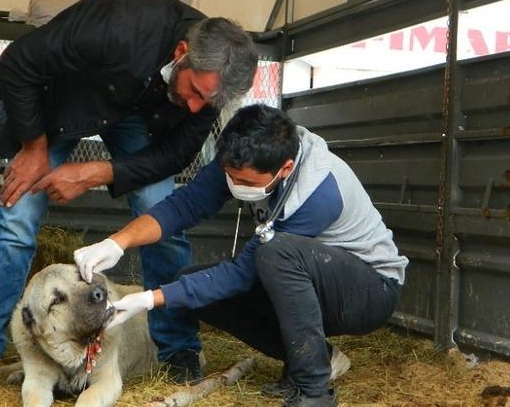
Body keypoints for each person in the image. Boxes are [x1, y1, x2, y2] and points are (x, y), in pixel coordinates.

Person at [0, 0, 259, 390]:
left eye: (209, 102)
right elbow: (16, 64)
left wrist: (95, 171)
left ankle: (177, 347)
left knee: (161, 213)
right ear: (181, 51)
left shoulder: (209, 91)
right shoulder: (118, 23)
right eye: (196, 93)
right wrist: (34, 146)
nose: (198, 108)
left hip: (135, 114)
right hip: (58, 101)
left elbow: (176, 154)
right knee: (17, 216)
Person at [74, 105, 409, 407]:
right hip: (305, 279)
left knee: (274, 253)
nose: (234, 184)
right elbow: (185, 205)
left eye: (245, 181)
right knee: (192, 287)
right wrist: (116, 243)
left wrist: (148, 299)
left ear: (286, 167)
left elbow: (242, 273)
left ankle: (314, 391)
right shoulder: (240, 161)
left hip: (368, 291)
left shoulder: (317, 189)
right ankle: (319, 357)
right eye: (230, 176)